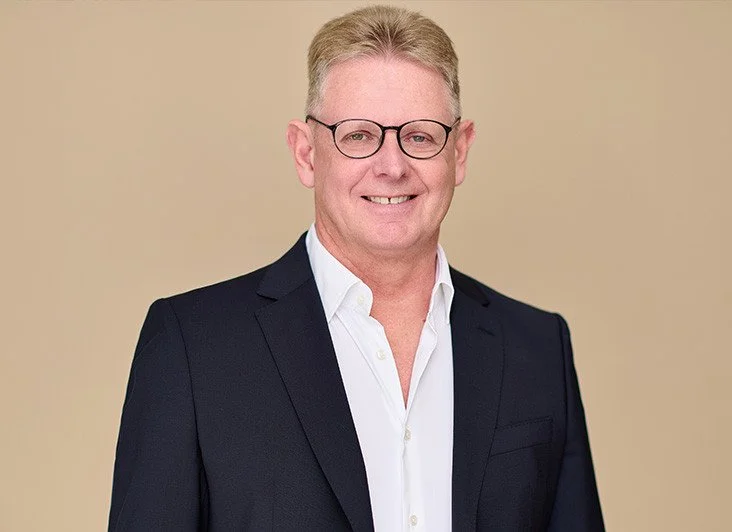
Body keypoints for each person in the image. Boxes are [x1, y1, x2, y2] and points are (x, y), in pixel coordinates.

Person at [108, 5, 604, 531]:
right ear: (306, 153)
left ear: (459, 152)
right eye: (359, 135)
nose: (392, 166)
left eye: (420, 136)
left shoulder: (538, 349)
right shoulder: (194, 348)